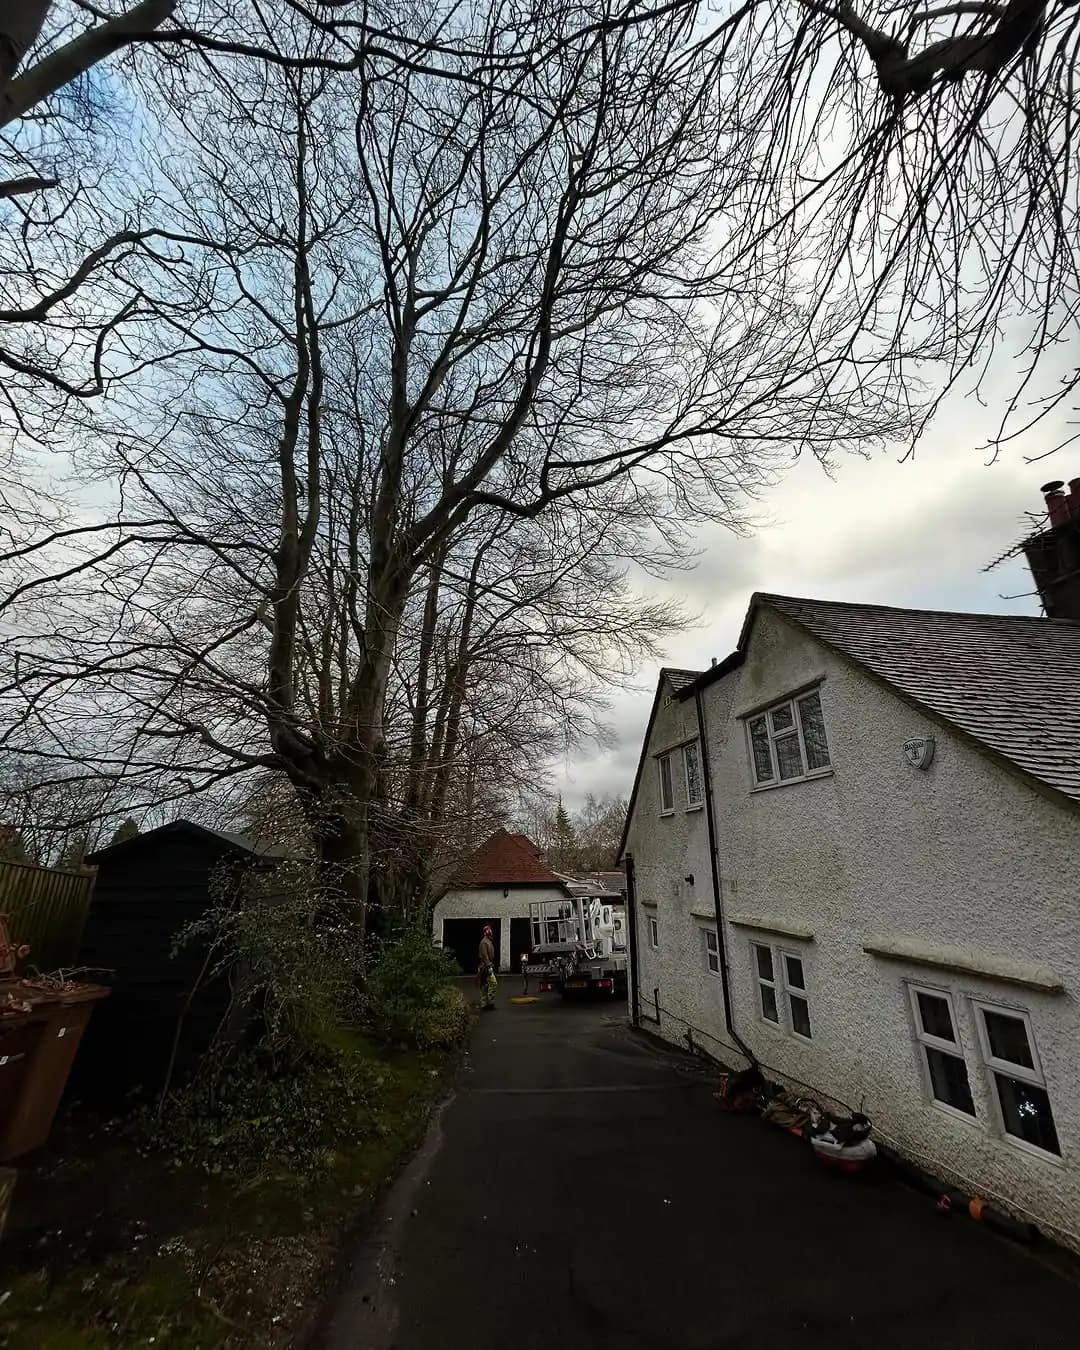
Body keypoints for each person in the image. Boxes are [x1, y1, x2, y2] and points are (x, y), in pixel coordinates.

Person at [478, 924, 497, 1011]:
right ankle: (488, 1003)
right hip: (485, 967)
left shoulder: (489, 941)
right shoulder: (484, 942)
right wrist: (489, 966)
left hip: (487, 966)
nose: (490, 932)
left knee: (485, 985)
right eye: (488, 931)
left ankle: (485, 1004)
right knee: (492, 983)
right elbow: (485, 956)